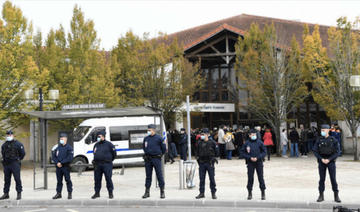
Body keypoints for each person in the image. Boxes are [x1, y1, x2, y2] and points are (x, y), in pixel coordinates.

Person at [313, 124, 341, 203]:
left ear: (328, 130)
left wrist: (329, 159)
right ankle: (321, 195)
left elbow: (337, 151)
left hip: (331, 162)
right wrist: (321, 158)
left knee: (333, 179)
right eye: (321, 130)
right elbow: (315, 150)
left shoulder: (333, 140)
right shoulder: (319, 140)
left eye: (324, 130)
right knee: (322, 179)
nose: (322, 131)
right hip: (322, 161)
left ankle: (336, 195)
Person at [142, 124, 167, 199]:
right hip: (148, 159)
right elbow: (144, 147)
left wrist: (160, 155)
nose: (148, 131)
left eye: (149, 130)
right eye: (148, 130)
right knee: (148, 176)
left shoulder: (159, 138)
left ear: (153, 130)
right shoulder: (146, 138)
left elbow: (164, 149)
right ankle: (147, 192)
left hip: (156, 159)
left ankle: (162, 191)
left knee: (159, 175)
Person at [241, 129, 267, 200]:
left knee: (261, 178)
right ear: (249, 135)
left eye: (254, 134)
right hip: (250, 163)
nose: (253, 136)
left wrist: (258, 157)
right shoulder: (246, 143)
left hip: (259, 162)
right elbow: (242, 153)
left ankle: (263, 193)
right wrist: (249, 158)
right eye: (252, 135)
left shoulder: (260, 142)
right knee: (250, 178)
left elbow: (264, 152)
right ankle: (249, 193)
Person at [0, 130, 25, 200]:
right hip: (7, 164)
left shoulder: (18, 144)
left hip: (15, 163)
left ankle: (19, 193)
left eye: (10, 135)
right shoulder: (4, 145)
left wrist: (18, 159)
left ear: (13, 135)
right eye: (8, 135)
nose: (9, 136)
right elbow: (3, 153)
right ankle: (6, 193)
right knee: (7, 179)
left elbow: (22, 153)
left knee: (17, 178)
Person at [91, 130, 116, 199]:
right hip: (97, 165)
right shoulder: (96, 145)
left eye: (99, 136)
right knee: (97, 179)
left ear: (103, 136)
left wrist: (109, 160)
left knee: (108, 179)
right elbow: (94, 153)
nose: (98, 138)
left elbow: (114, 154)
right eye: (97, 136)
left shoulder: (109, 144)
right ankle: (97, 193)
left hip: (106, 164)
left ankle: (110, 193)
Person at [195, 128, 219, 199]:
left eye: (203, 134)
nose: (202, 136)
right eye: (201, 134)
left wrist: (214, 158)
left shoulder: (213, 143)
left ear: (208, 134)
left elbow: (217, 152)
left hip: (210, 163)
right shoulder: (199, 143)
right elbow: (196, 152)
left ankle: (213, 193)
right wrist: (198, 159)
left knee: (211, 178)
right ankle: (201, 193)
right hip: (202, 163)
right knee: (201, 179)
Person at [52, 133, 74, 199]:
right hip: (58, 167)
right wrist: (57, 162)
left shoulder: (69, 148)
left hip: (65, 167)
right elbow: (54, 156)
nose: (61, 140)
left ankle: (69, 193)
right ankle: (59, 193)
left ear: (66, 139)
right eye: (60, 138)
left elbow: (69, 158)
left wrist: (61, 162)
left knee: (68, 180)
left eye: (62, 138)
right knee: (59, 181)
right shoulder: (57, 147)